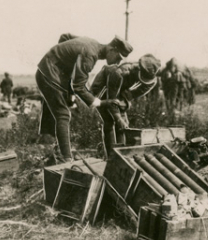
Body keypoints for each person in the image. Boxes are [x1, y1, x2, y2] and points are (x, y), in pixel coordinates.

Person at [36, 33, 132, 164]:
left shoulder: (91, 42)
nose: (118, 62)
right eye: (118, 57)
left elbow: (65, 37)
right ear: (112, 49)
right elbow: (79, 87)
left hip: (48, 70)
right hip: (50, 74)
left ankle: (50, 148)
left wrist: (59, 57)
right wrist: (99, 102)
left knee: (56, 110)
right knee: (63, 115)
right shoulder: (91, 56)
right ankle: (66, 160)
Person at [91, 54, 160, 156]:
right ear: (139, 69)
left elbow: (135, 92)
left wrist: (124, 103)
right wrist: (118, 118)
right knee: (109, 120)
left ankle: (121, 154)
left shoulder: (151, 79)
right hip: (103, 85)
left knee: (123, 124)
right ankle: (110, 156)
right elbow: (112, 99)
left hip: (121, 88)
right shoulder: (120, 72)